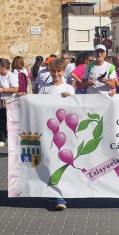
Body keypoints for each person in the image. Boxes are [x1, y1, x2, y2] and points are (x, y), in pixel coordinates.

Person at [40, 59, 76, 210]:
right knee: (50, 160)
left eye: (58, 71)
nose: (56, 74)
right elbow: (38, 107)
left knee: (62, 161)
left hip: (64, 132)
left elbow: (75, 108)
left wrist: (70, 98)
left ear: (63, 72)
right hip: (48, 130)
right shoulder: (44, 88)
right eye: (53, 71)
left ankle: (61, 197)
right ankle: (53, 190)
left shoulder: (69, 88)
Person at [0, 58, 21, 148]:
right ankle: (2, 139)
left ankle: (14, 140)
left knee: (12, 121)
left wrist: (3, 89)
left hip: (10, 101)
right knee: (1, 121)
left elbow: (16, 88)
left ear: (3, 67)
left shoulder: (11, 76)